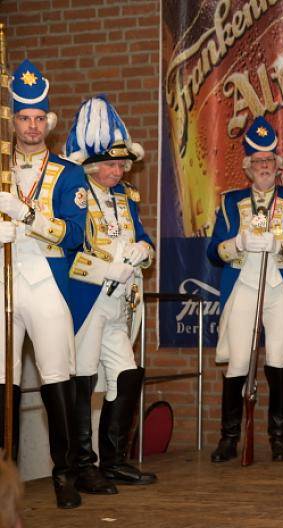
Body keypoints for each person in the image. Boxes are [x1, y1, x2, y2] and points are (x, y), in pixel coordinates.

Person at [0, 60, 87, 509]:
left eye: (38, 119)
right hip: (3, 279)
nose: (31, 127)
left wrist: (27, 215)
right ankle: (5, 476)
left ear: (47, 123)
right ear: (12, 121)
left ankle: (64, 474)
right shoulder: (0, 164)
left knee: (57, 377)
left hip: (47, 280)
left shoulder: (68, 172)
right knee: (3, 381)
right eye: (23, 118)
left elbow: (76, 235)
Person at [207, 116, 283, 463]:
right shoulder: (230, 202)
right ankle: (229, 439)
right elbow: (213, 252)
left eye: (269, 160)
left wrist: (281, 247)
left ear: (278, 164)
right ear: (248, 167)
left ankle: (278, 439)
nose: (264, 166)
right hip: (243, 286)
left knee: (277, 359)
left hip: (280, 288)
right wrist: (236, 244)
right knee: (239, 361)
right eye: (258, 162)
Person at [65, 95, 156, 489]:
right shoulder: (76, 195)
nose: (119, 171)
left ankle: (114, 461)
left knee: (126, 374)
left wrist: (144, 250)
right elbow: (67, 251)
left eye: (122, 165)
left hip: (121, 303)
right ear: (92, 164)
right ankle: (82, 466)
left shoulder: (126, 198)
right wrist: (106, 269)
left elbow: (144, 237)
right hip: (87, 301)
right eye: (111, 164)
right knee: (83, 380)